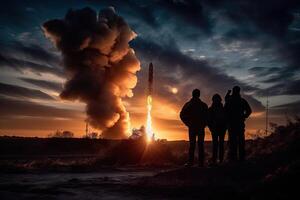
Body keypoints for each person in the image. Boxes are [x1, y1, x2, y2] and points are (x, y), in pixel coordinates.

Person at [180, 89, 208, 167]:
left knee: (194, 145)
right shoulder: (202, 105)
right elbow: (182, 115)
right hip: (196, 127)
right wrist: (188, 123)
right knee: (198, 145)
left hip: (194, 127)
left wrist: (188, 123)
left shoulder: (190, 104)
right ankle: (199, 163)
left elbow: (182, 115)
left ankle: (192, 163)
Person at [224, 86, 252, 161]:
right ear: (239, 91)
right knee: (241, 141)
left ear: (233, 91)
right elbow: (249, 111)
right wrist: (244, 116)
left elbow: (225, 110)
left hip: (231, 124)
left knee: (233, 142)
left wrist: (227, 120)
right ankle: (241, 159)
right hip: (239, 124)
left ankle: (233, 159)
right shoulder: (242, 101)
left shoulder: (229, 101)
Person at [208, 94, 227, 164]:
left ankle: (217, 161)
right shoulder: (223, 109)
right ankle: (217, 161)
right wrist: (211, 128)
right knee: (218, 145)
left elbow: (208, 120)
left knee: (217, 145)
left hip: (218, 129)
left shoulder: (212, 109)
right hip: (218, 129)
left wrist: (211, 127)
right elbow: (208, 120)